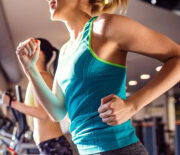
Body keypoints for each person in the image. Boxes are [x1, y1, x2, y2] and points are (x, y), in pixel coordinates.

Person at [15, 0, 180, 154]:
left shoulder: (105, 26)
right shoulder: (65, 51)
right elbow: (57, 112)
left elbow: (177, 58)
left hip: (119, 149)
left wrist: (132, 105)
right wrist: (30, 69)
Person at [4, 38, 73, 155]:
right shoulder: (41, 77)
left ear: (39, 53)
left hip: (53, 145)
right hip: (50, 145)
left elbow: (42, 113)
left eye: (30, 47)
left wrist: (12, 103)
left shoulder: (43, 78)